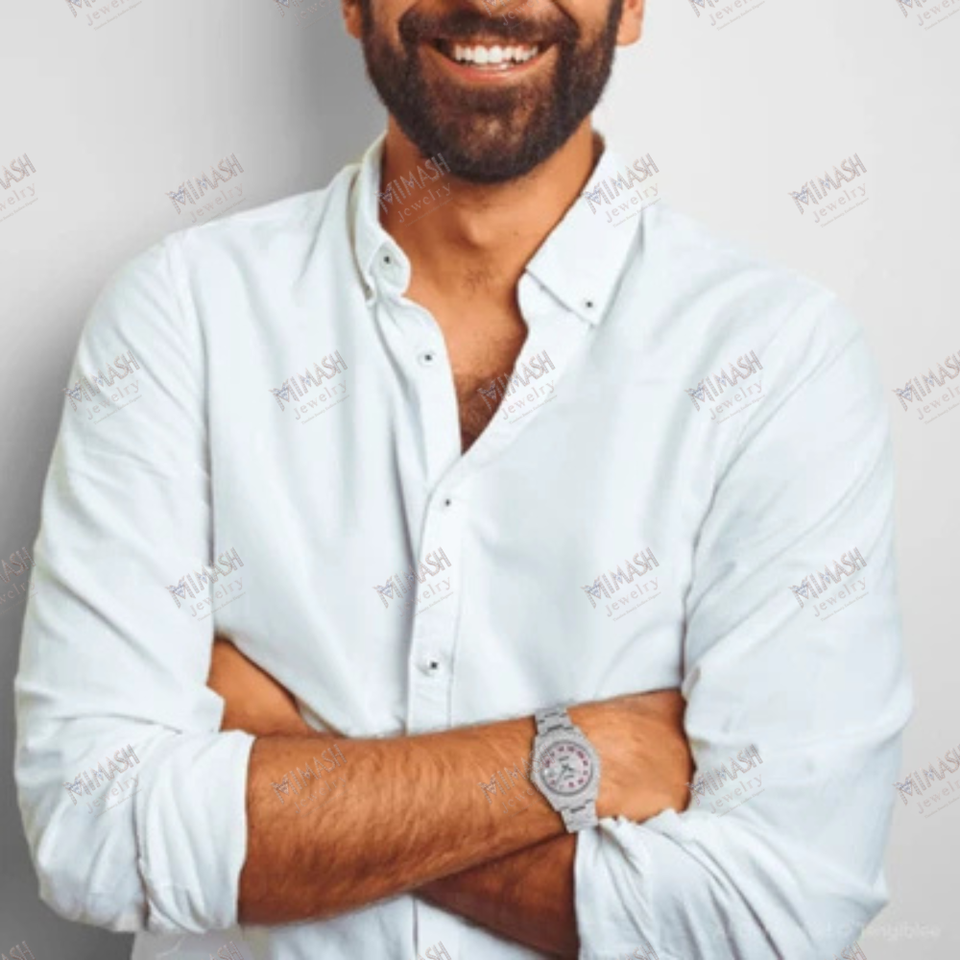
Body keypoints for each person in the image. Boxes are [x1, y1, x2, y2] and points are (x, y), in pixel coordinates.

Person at [15, 0, 911, 958]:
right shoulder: (181, 317)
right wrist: (575, 759)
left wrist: (297, 762)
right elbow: (91, 831)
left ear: (633, 8)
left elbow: (776, 915)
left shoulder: (777, 361)